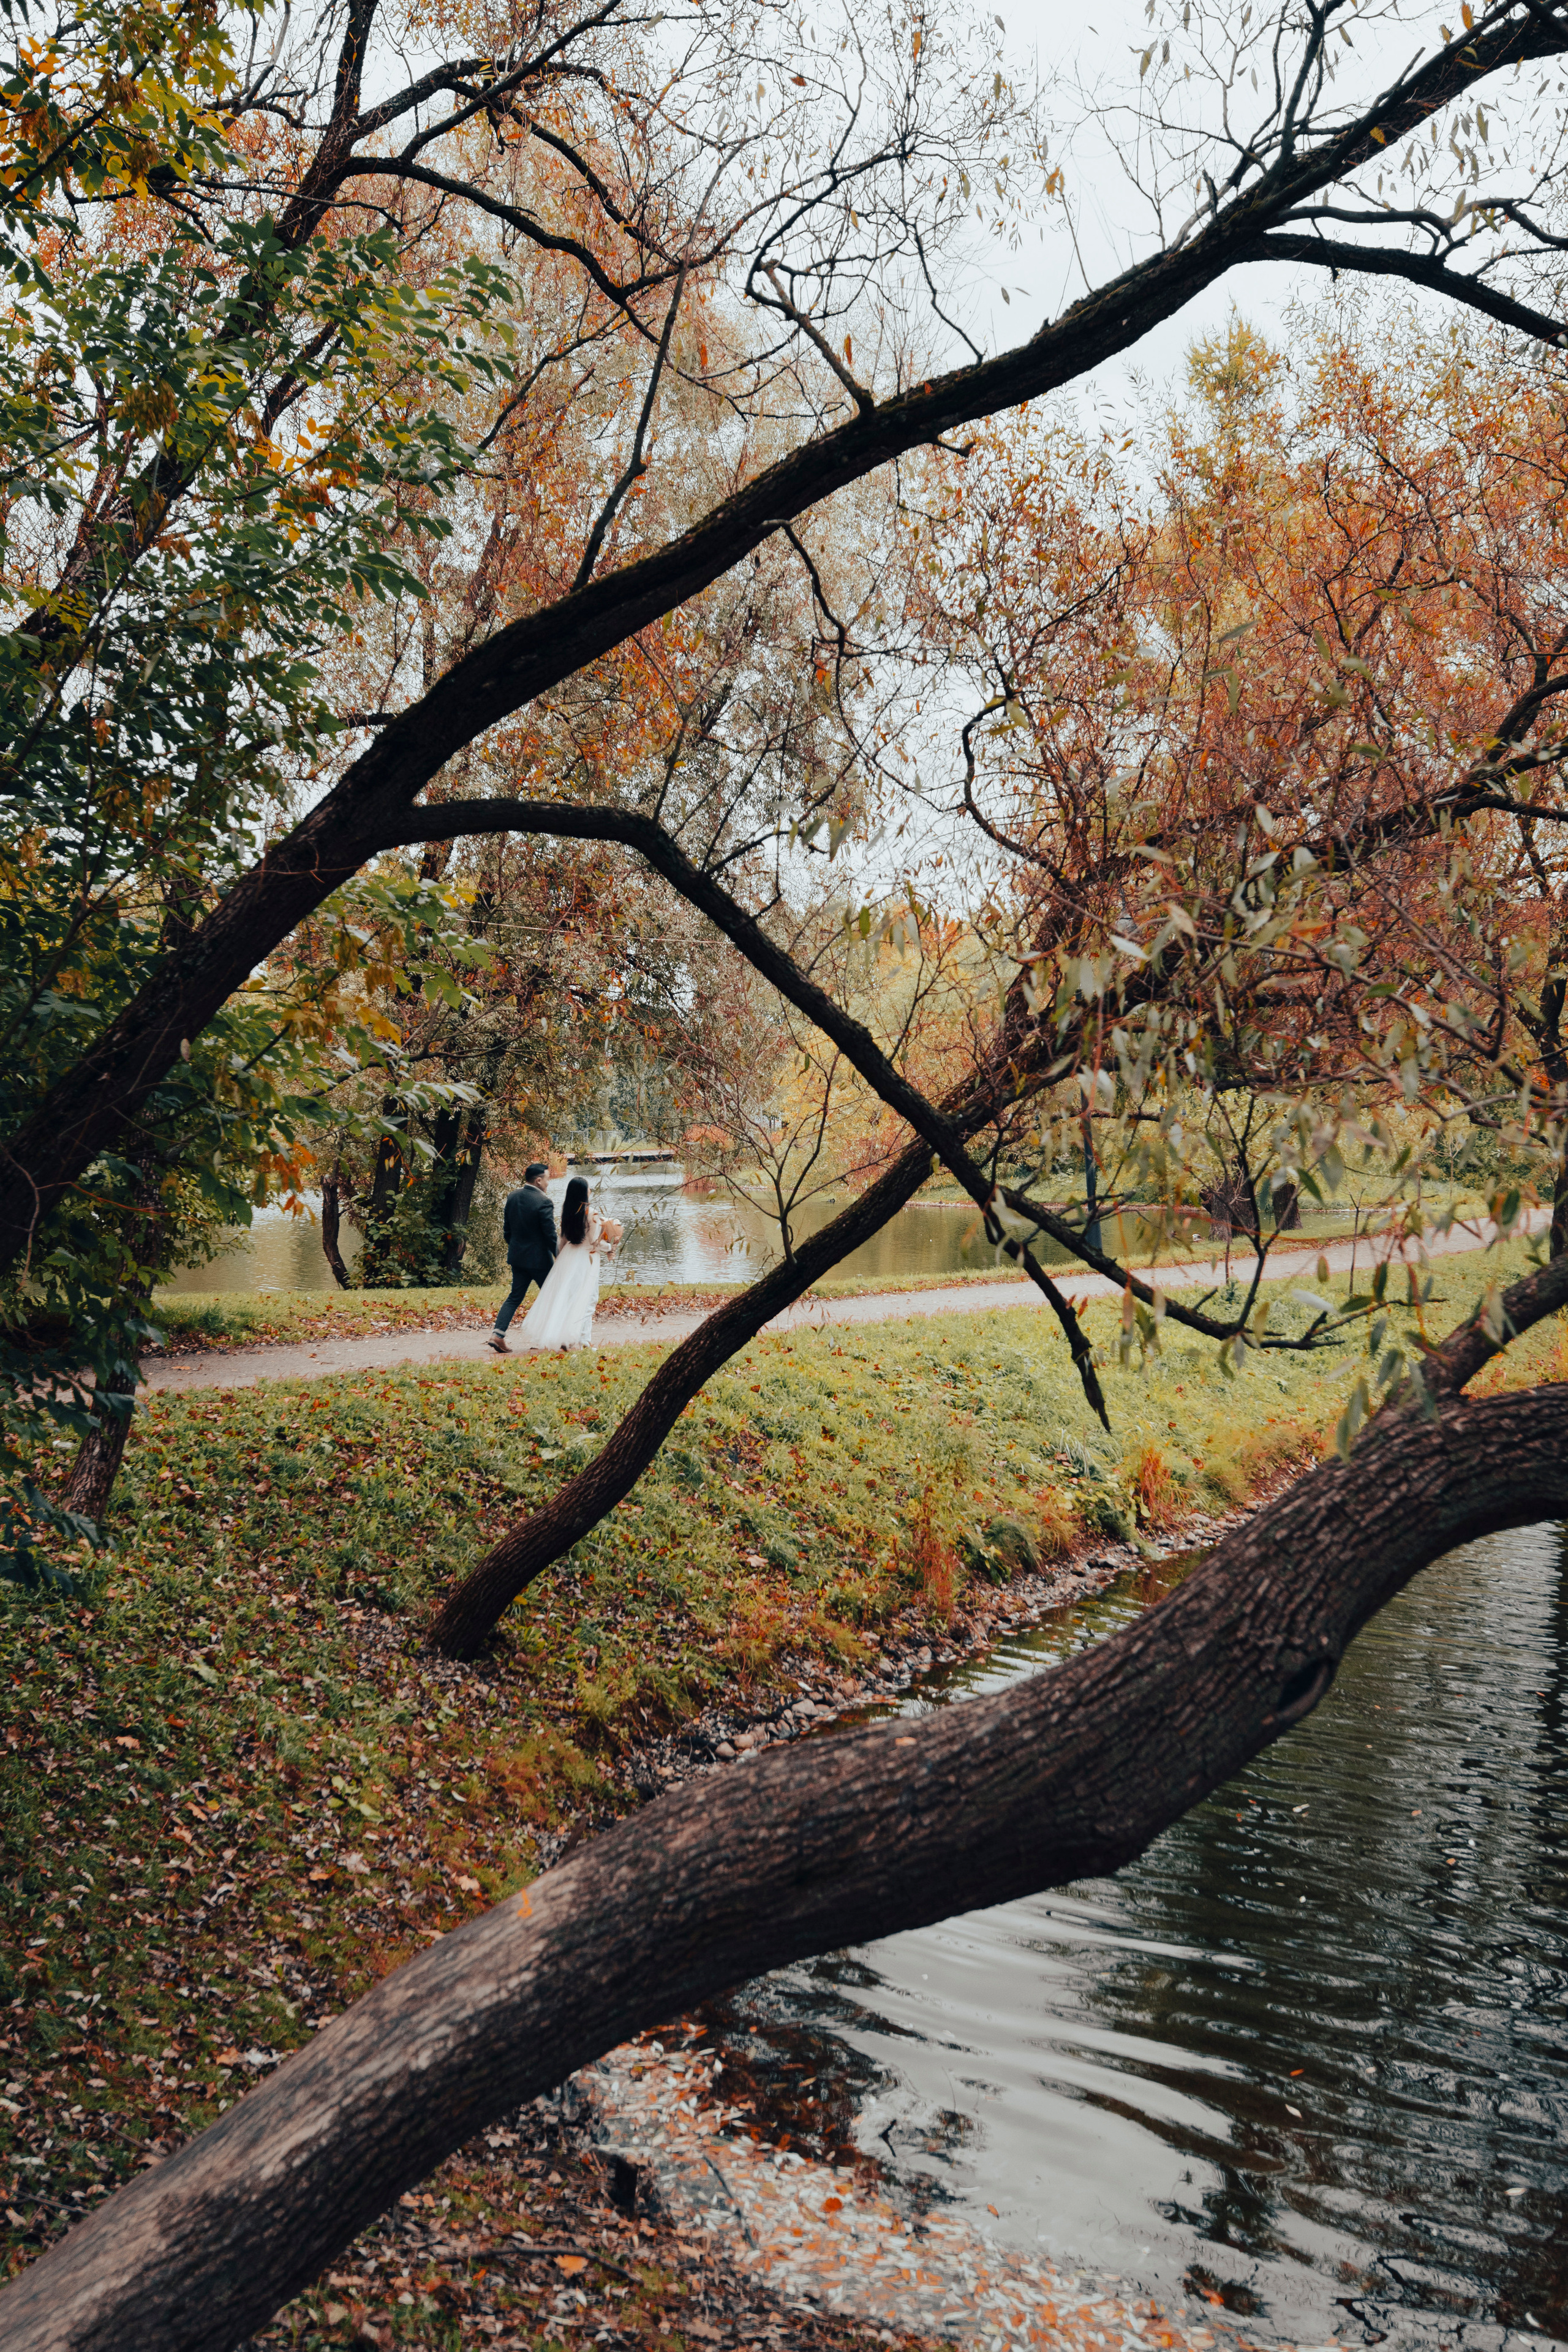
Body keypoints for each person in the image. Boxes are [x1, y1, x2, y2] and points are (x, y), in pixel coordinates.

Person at [510, 1175, 612, 1352]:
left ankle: (565, 1338)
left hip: (568, 1256)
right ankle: (584, 1341)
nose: (590, 1190)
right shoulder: (591, 1212)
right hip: (586, 1259)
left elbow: (563, 1240)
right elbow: (595, 1241)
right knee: (589, 1298)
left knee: (569, 1298)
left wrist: (560, 1260)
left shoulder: (568, 1211)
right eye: (588, 1187)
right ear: (583, 1192)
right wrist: (611, 1246)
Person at [489, 1162, 556, 1353]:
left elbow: (507, 1231)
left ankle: (497, 1335)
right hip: (540, 1262)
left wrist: (517, 1248)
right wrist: (559, 1256)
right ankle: (561, 1339)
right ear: (539, 1181)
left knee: (514, 1297)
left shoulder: (513, 1196)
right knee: (553, 1297)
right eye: (547, 1179)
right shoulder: (544, 1202)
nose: (548, 1184)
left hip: (518, 1257)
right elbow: (551, 1236)